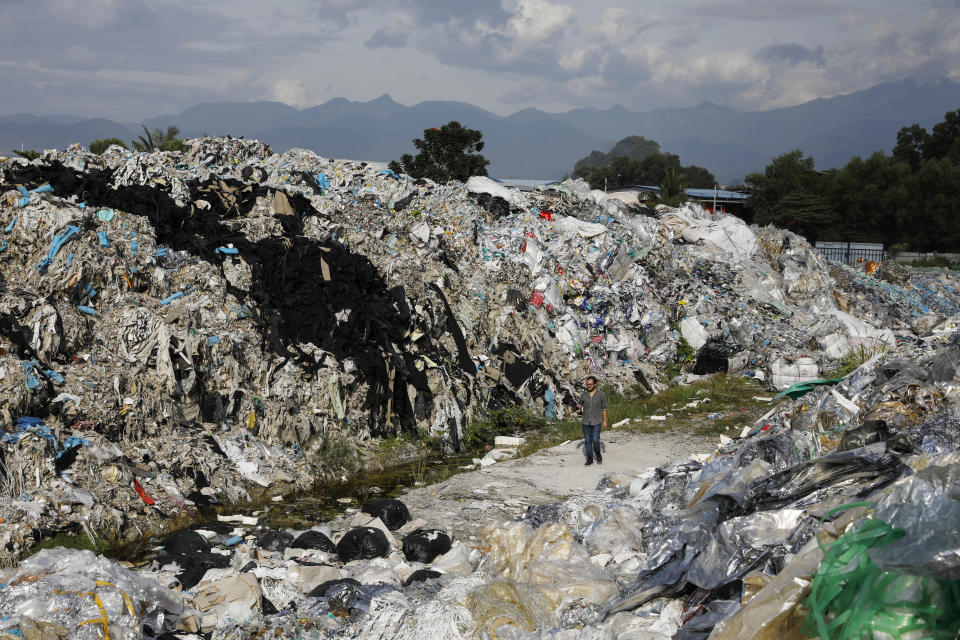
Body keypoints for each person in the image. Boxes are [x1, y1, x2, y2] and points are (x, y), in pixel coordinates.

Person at [578, 375, 607, 466]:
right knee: (587, 440)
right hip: (585, 421)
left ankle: (598, 453)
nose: (588, 386)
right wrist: (578, 409)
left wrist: (605, 420)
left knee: (595, 439)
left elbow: (604, 408)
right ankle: (589, 458)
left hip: (597, 421)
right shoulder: (583, 394)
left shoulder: (601, 394)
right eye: (587, 384)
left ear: (595, 384)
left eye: (590, 384)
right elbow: (579, 404)